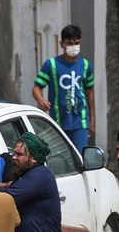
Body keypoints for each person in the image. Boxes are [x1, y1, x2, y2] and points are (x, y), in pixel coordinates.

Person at [31, 24, 95, 152]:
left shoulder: (86, 65)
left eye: (76, 43)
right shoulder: (51, 65)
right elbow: (36, 88)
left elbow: (89, 94)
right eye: (69, 43)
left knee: (80, 158)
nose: (73, 46)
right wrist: (41, 100)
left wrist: (92, 121)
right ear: (62, 44)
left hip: (80, 123)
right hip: (58, 122)